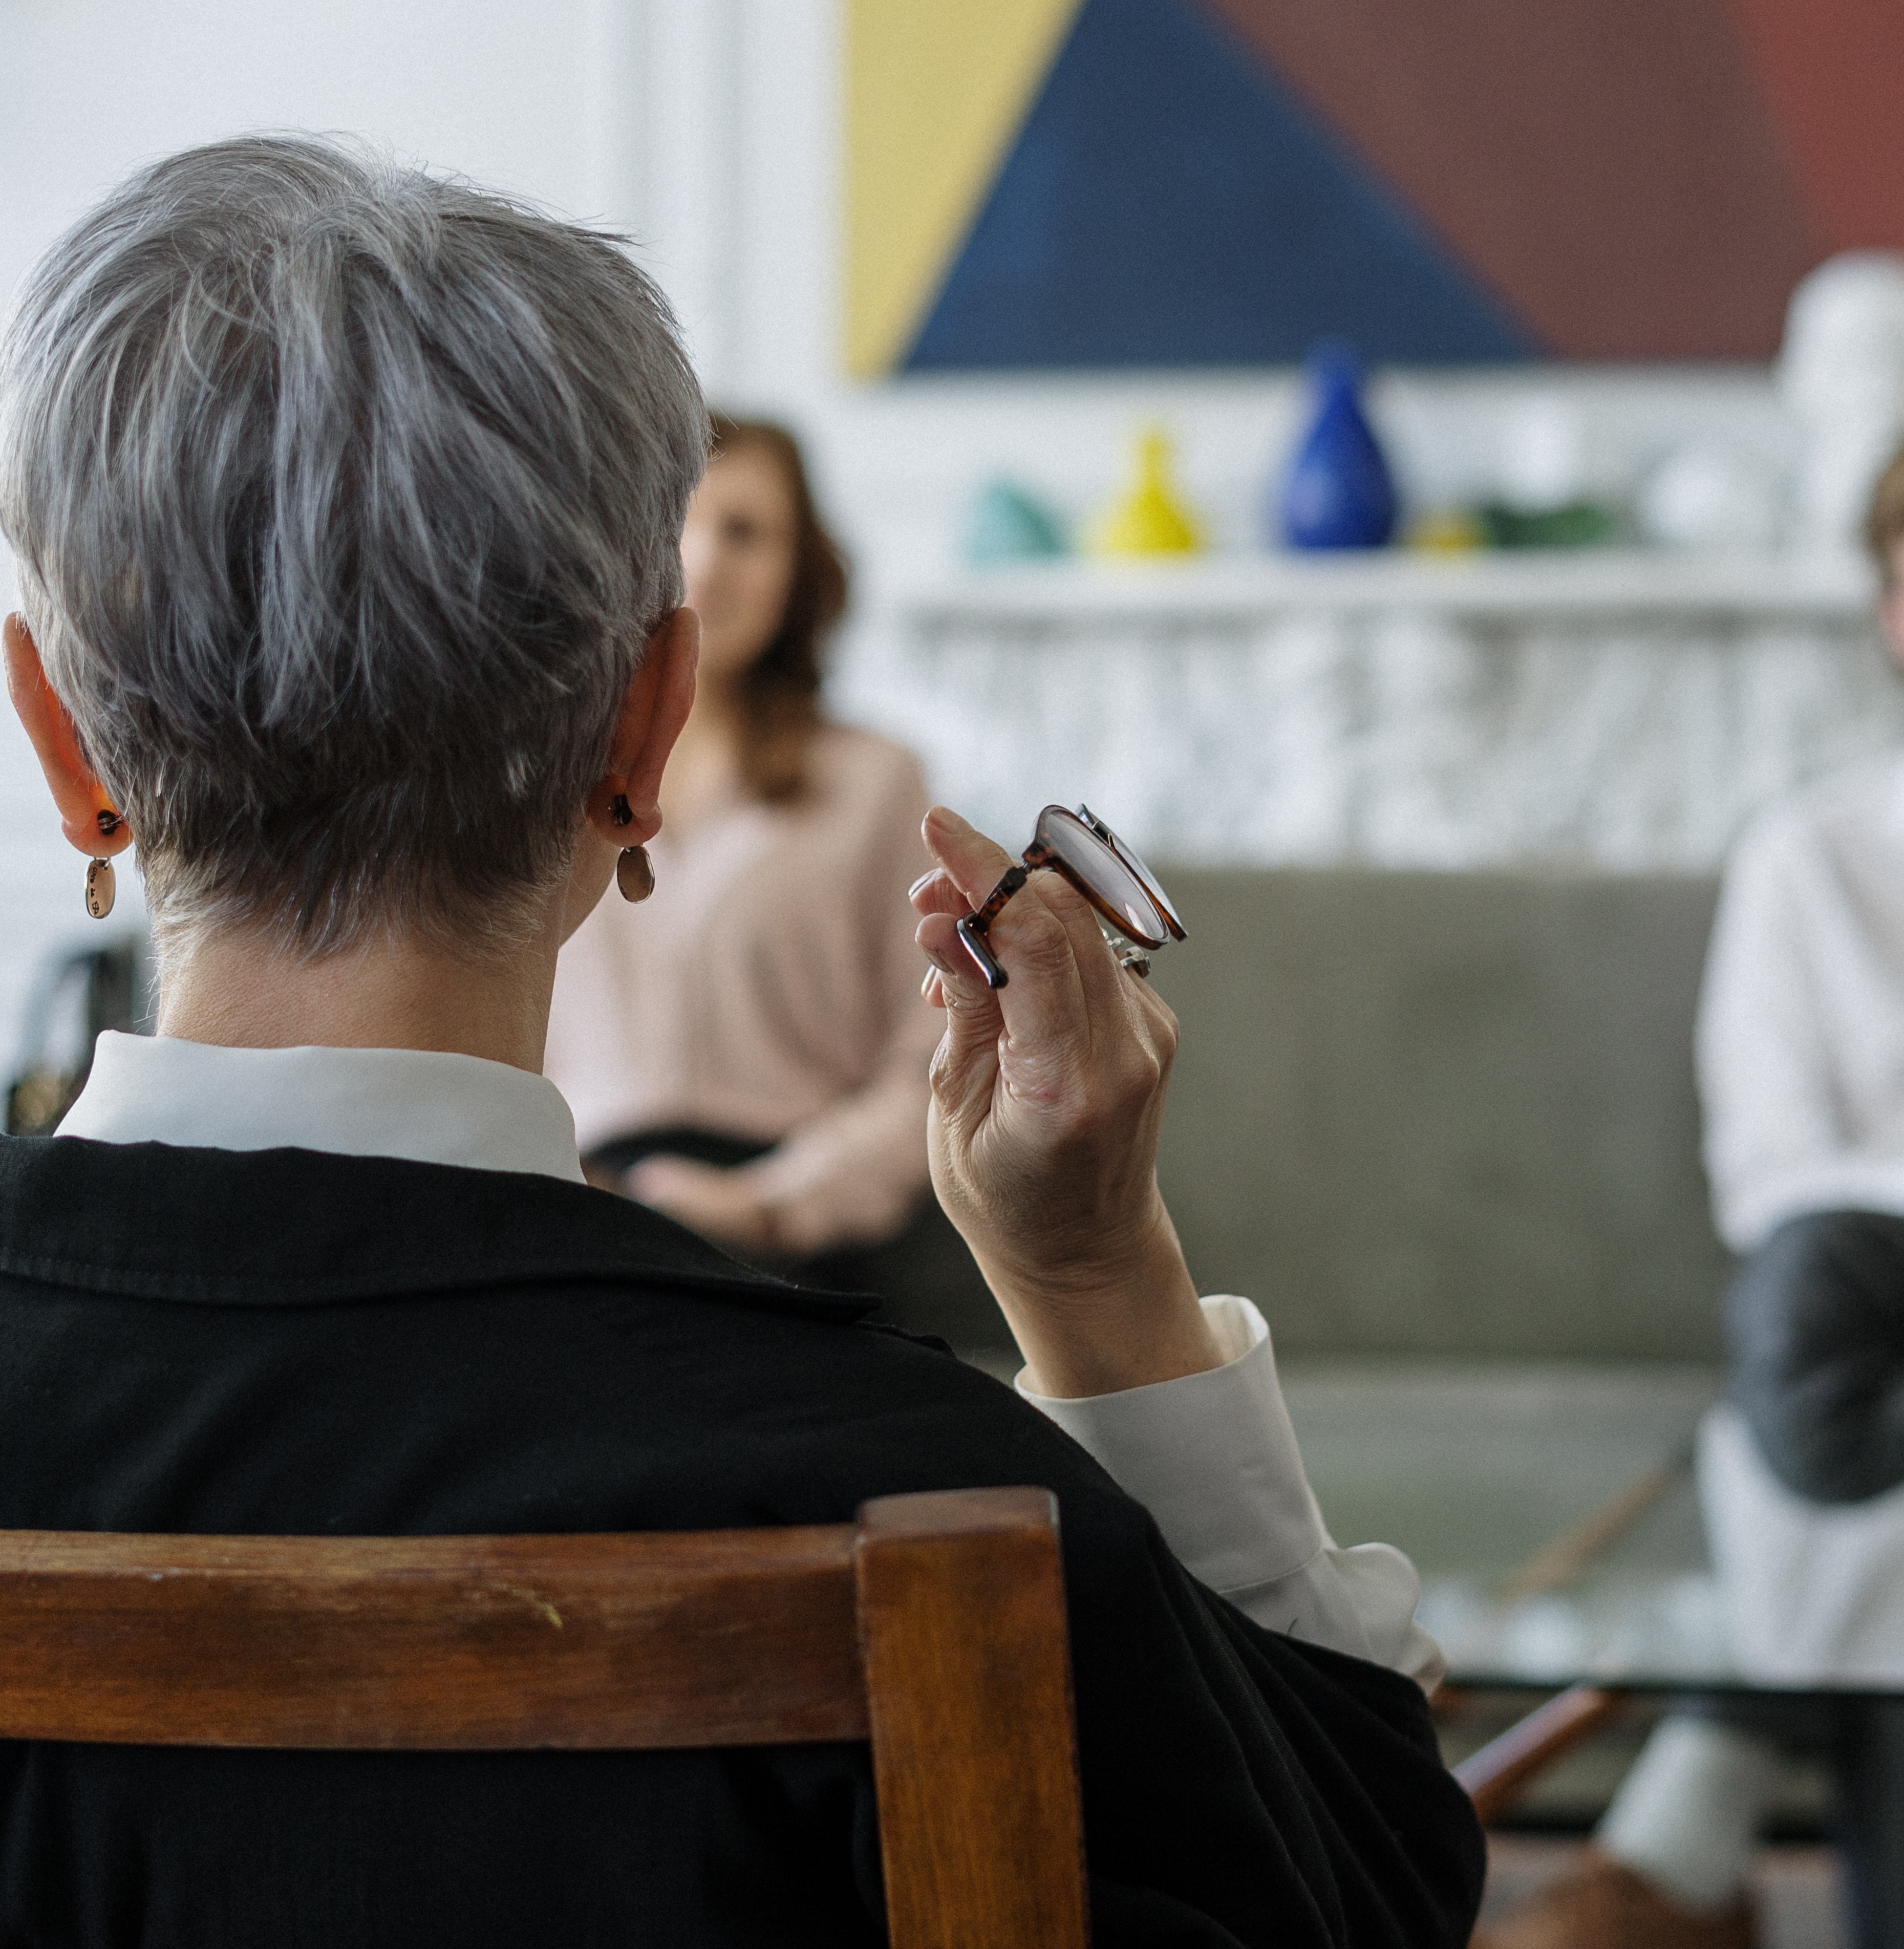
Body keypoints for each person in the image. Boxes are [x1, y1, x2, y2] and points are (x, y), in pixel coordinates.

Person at [0, 136, 1483, 1947]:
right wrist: (1100, 1280)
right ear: (649, 729)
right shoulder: (917, 1496)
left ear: (66, 751)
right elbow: (1372, 1891)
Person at [1485, 413, 1904, 1949]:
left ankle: (1683, 1841)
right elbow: (1764, 1176)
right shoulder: (1810, 854)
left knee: (1814, 1431)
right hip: (1884, 1288)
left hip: (1882, 1380)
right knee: (1810, 1282)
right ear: (1898, 621)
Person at [544, 416, 947, 1300]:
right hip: (570, 1220)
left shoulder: (878, 781)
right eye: (679, 522)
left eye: (747, 531)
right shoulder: (541, 775)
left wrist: (774, 1205)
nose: (708, 558)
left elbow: (932, 1062)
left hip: (798, 1236)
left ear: (801, 571)